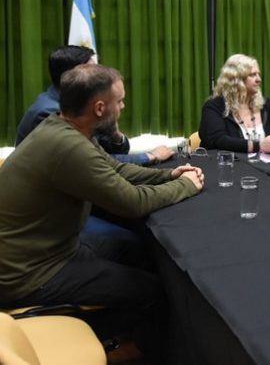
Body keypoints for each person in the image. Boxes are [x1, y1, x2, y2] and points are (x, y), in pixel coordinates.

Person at [0, 64, 203, 347]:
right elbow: (132, 202)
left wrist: (169, 175)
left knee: (141, 251)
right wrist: (187, 186)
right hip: (29, 274)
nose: (122, 106)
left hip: (49, 250)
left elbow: (117, 169)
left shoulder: (64, 127)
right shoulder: (69, 147)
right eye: (119, 101)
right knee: (152, 292)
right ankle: (89, 339)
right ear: (98, 108)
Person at [16, 45, 174, 166]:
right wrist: (149, 156)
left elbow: (113, 150)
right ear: (76, 75)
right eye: (93, 69)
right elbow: (93, 161)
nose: (101, 73)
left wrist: (114, 132)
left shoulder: (82, 103)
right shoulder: (51, 112)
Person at [199, 54, 270, 154]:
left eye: (258, 74)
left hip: (267, 165)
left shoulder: (267, 105)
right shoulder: (214, 107)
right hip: (231, 166)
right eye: (253, 75)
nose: (259, 79)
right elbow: (218, 140)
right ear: (236, 79)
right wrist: (259, 146)